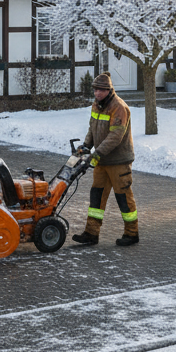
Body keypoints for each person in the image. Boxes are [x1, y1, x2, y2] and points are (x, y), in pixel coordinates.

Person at [71, 72, 139, 247]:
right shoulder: (96, 105)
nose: (98, 94)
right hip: (101, 161)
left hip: (118, 162)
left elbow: (115, 136)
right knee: (96, 197)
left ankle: (132, 233)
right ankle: (91, 233)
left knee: (123, 197)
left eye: (101, 90)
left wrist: (97, 153)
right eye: (96, 90)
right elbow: (92, 128)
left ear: (109, 90)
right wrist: (86, 145)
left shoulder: (119, 107)